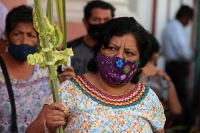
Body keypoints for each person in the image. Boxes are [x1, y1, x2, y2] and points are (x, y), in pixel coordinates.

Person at [26, 17, 165, 133]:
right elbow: (31, 130)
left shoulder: (149, 99)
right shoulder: (70, 91)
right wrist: (47, 127)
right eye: (112, 48)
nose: (119, 58)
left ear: (140, 62)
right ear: (98, 50)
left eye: (129, 53)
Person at [0, 5, 52, 133]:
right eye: (17, 34)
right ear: (6, 35)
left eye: (31, 35)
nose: (24, 41)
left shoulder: (47, 70)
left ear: (38, 38)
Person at [162, 5, 196, 132]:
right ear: (184, 17)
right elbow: (182, 50)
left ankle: (176, 123)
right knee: (180, 95)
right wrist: (192, 54)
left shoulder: (170, 26)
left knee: (174, 93)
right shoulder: (176, 27)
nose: (189, 23)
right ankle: (180, 124)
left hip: (172, 65)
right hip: (178, 66)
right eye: (189, 19)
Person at [60, 0, 115, 77]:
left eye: (106, 20)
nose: (102, 24)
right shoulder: (69, 49)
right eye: (96, 19)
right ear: (85, 22)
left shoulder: (117, 51)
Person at [140, 33, 182, 129]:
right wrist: (163, 118)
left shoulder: (130, 75)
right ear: (155, 56)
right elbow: (176, 110)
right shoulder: (163, 78)